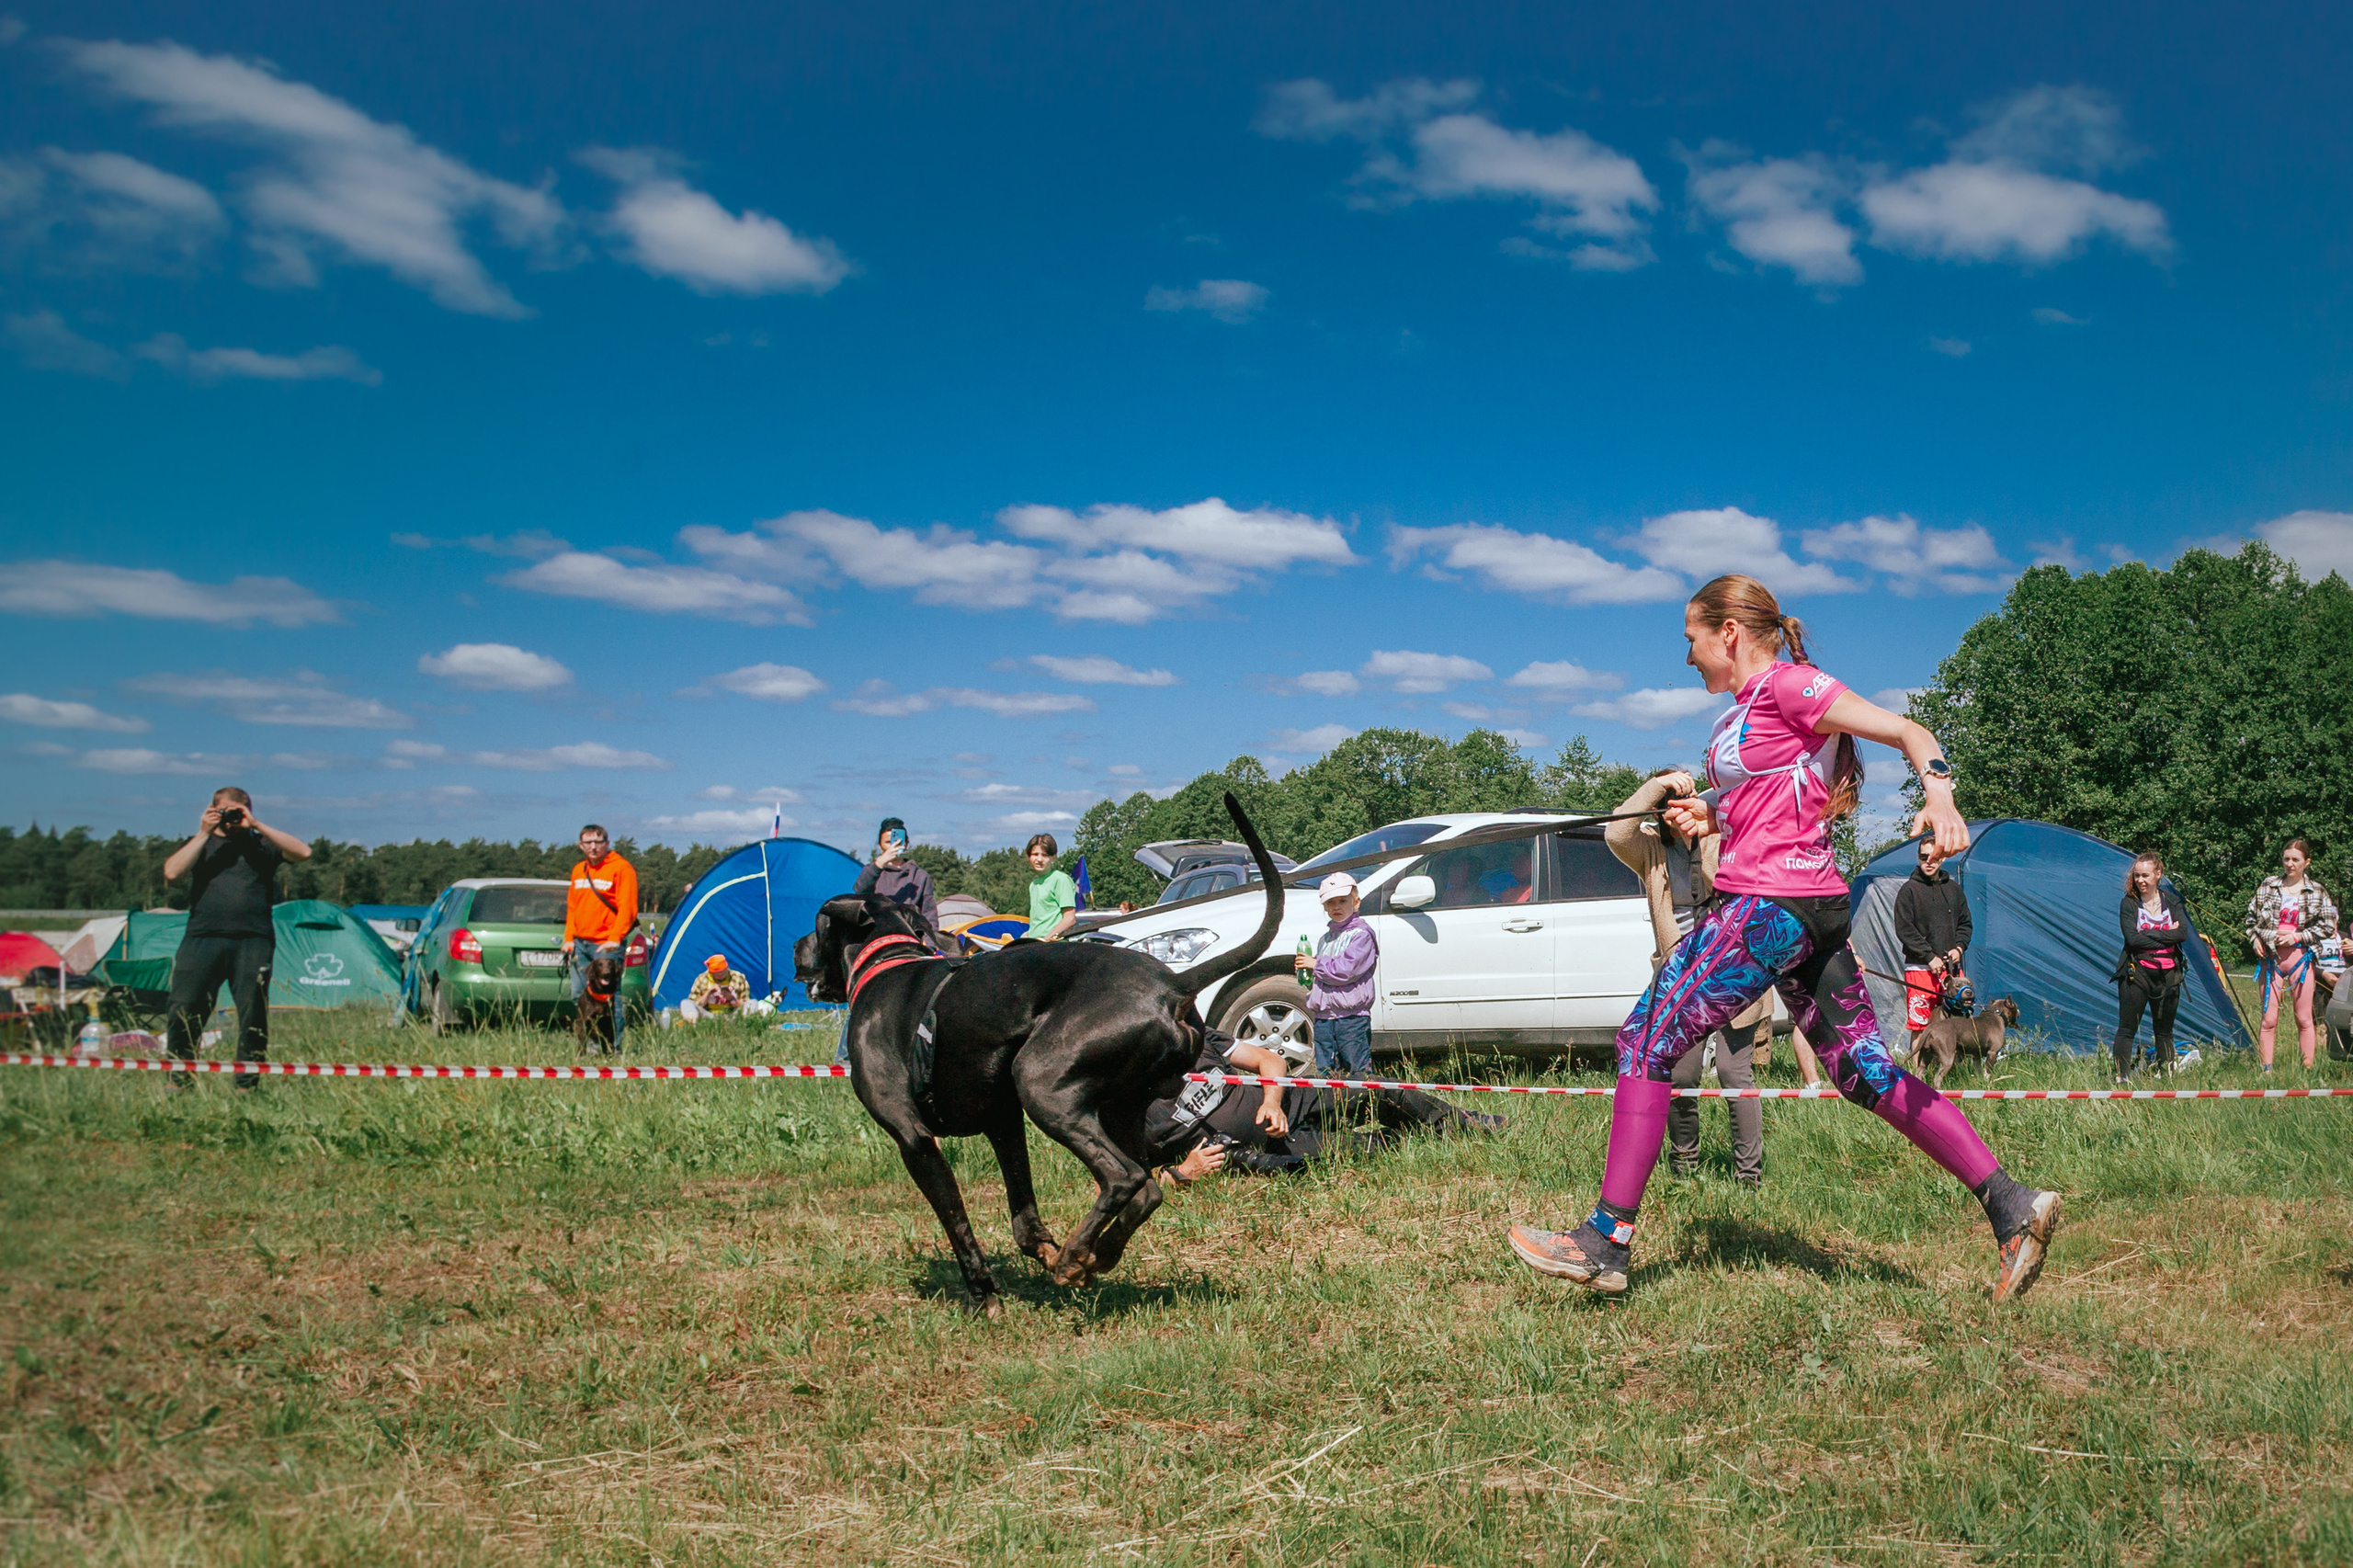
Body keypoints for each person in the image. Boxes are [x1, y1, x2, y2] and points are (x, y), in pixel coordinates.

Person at [1506, 574, 2061, 1301]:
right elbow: (1767, 794)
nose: (1688, 657)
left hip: (1767, 908)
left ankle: (1605, 1242)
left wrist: (1941, 793)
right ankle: (2012, 1206)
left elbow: (1906, 730)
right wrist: (1709, 813)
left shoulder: (1790, 686)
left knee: (1646, 1039)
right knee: (1865, 1072)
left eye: (1691, 639)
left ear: (1727, 633)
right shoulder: (1742, 716)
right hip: (1813, 911)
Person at [1604, 767, 1769, 1188]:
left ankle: (1749, 1177)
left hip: (1733, 969)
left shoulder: (1720, 835)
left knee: (1735, 1076)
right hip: (1680, 976)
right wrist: (1660, 785)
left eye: (1684, 799)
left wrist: (1705, 817)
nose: (1676, 811)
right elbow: (1615, 832)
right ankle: (1684, 1168)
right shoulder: (1649, 849)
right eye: (1668, 805)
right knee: (1680, 1075)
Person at [1146, 1028, 1502, 1180]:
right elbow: (1113, 1185)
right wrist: (1181, 1174)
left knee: (1375, 1087)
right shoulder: (1122, 1100)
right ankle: (1420, 1139)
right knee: (1366, 1150)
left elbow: (1270, 1061)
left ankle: (1463, 1124)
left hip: (1291, 1099)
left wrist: (1272, 1101)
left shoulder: (1193, 1036)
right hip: (1271, 1149)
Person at [159, 787, 313, 1091]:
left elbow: (303, 853)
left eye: (238, 811)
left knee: (253, 1012)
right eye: (225, 811)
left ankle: (246, 1085)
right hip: (202, 937)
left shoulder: (262, 846)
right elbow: (172, 872)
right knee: (184, 1007)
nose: (231, 818)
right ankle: (178, 1080)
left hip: (253, 940)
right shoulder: (199, 844)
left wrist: (255, 825)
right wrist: (203, 832)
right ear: (212, 809)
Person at [2245, 838, 2337, 1072]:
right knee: (2268, 1020)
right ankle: (2266, 1071)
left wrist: (2297, 937)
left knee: (2304, 1019)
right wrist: (2255, 939)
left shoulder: (2317, 890)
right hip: (2271, 959)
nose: (2290, 864)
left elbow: (2327, 926)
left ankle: (2306, 1071)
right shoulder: (2268, 885)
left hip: (2301, 960)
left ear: (2307, 862)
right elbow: (2251, 921)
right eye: (2286, 859)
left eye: (2295, 859)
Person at [2114, 851, 2190, 1081]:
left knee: (2164, 1031)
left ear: (2158, 874)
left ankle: (2165, 1077)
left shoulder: (2172, 901)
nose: (2140, 880)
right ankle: (2121, 1078)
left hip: (2169, 975)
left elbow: (2183, 933)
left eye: (2145, 875)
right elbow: (2133, 940)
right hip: (2137, 973)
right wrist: (2167, 933)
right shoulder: (2128, 903)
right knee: (2127, 1029)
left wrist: (2149, 932)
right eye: (2137, 876)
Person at [562, 824, 639, 1048]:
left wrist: (615, 937)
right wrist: (568, 937)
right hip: (580, 943)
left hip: (606, 945)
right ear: (580, 845)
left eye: (598, 842)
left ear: (607, 843)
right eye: (588, 842)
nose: (593, 847)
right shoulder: (579, 870)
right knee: (580, 995)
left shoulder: (621, 868)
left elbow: (628, 908)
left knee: (610, 999)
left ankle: (611, 1048)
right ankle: (591, 1045)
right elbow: (573, 906)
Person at [1894, 836, 1972, 1050]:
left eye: (1935, 856)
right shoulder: (1908, 890)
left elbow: (1965, 924)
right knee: (1920, 1026)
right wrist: (1929, 956)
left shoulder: (1954, 890)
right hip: (1920, 970)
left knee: (1954, 1025)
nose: (1929, 861)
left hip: (1951, 971)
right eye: (1924, 856)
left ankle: (1952, 1076)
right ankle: (1917, 1078)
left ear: (1943, 858)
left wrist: (1959, 947)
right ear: (1918, 858)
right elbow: (1905, 930)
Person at [1297, 871, 1378, 1077]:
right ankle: (1331, 1107)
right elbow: (1323, 975)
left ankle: (1362, 1107)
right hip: (1324, 1018)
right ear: (1324, 906)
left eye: (1343, 901)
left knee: (1357, 1070)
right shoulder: (1326, 939)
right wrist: (1308, 972)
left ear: (1356, 902)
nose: (1337, 907)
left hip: (1351, 1018)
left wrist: (1315, 965)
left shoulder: (1362, 935)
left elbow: (1346, 970)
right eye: (1331, 902)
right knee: (1326, 1070)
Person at [853, 817, 938, 939]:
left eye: (899, 841)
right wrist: (879, 864)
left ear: (906, 843)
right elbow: (859, 891)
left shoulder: (920, 876)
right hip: (876, 936)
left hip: (910, 937)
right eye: (888, 842)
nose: (894, 846)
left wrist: (931, 946)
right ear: (880, 845)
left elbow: (929, 915)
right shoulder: (871, 872)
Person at [1024, 833, 1078, 941]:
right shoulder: (1033, 884)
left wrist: (1046, 940)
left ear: (1053, 857)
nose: (1039, 859)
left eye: (1044, 855)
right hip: (1035, 946)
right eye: (1035, 854)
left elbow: (1070, 918)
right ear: (1028, 857)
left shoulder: (1061, 879)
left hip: (1054, 947)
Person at [682, 954, 749, 1022]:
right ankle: (693, 1023)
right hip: (708, 1015)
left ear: (727, 968)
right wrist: (709, 993)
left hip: (732, 1015)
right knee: (685, 1003)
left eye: (723, 972)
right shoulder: (702, 979)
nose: (720, 975)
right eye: (717, 974)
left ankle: (746, 1023)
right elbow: (695, 1003)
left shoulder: (738, 978)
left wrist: (731, 999)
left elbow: (745, 1002)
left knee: (752, 1003)